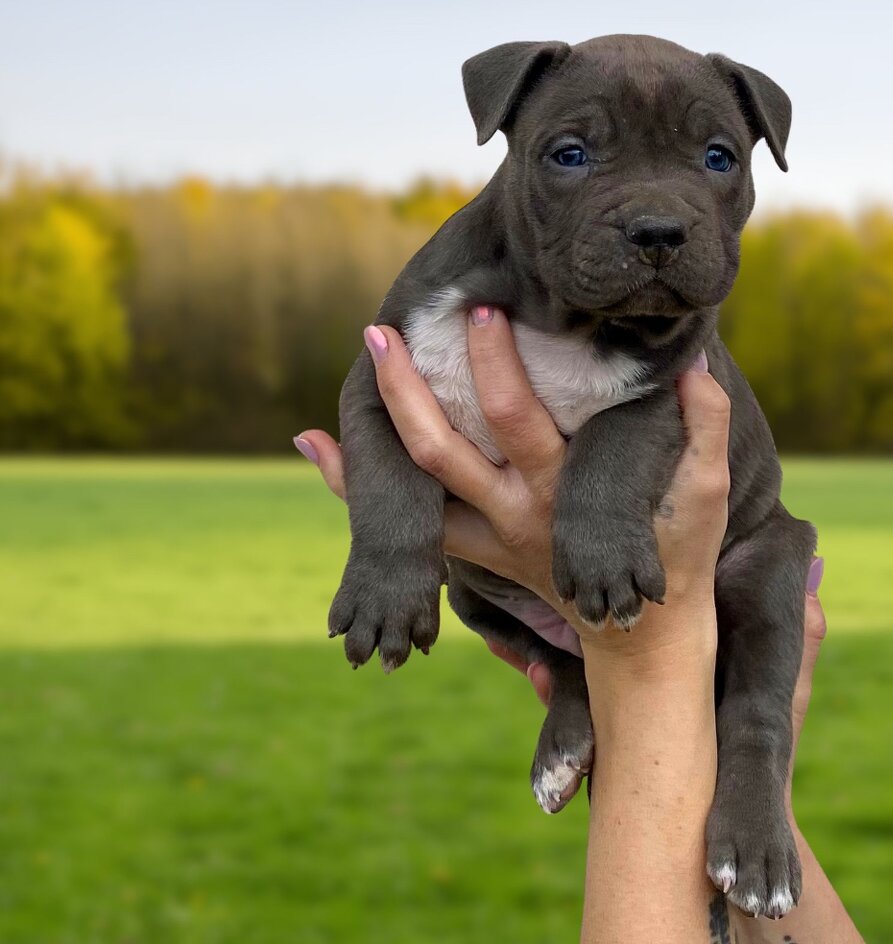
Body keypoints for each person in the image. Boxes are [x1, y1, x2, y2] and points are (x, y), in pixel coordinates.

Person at [295, 307, 863, 943]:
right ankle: (575, 680)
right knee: (474, 590)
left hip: (716, 559)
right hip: (546, 604)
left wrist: (648, 664)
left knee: (768, 566)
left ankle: (652, 719)